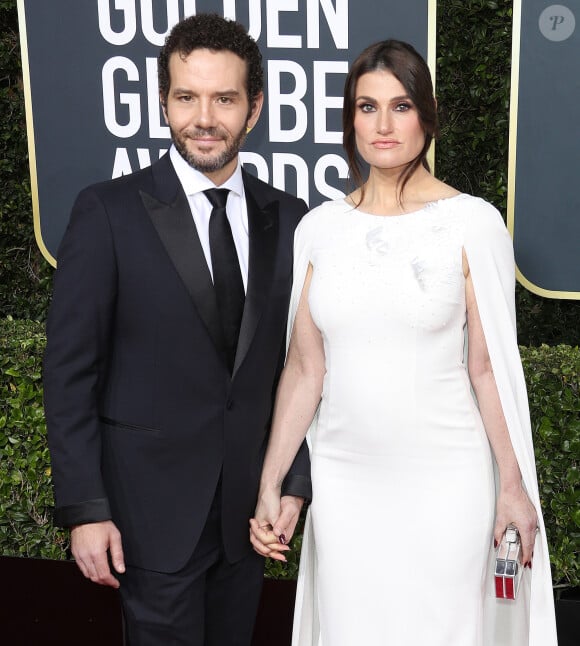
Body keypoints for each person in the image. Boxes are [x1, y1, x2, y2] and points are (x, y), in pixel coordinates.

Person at [250, 39, 558, 645]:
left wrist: (513, 490)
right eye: (367, 108)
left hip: (446, 483)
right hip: (345, 485)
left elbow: (488, 368)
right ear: (350, 120)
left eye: (401, 106)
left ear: (427, 117)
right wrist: (273, 482)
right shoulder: (319, 229)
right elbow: (304, 369)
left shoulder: (472, 223)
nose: (383, 125)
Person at [43, 13, 311, 646]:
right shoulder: (107, 212)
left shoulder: (295, 220)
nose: (204, 118)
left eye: (225, 99)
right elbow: (70, 372)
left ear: (255, 108)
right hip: (148, 520)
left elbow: (301, 370)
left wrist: (293, 485)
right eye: (187, 97)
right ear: (163, 102)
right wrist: (86, 511)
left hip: (249, 520)